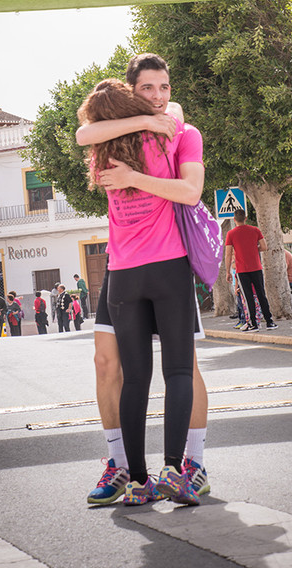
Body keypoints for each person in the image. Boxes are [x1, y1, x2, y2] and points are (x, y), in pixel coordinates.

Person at [77, 54, 210, 506]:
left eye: (164, 88)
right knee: (175, 371)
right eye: (147, 89)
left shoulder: (106, 151)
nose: (158, 97)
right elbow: (189, 190)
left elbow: (86, 131)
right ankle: (173, 470)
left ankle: (137, 481)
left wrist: (133, 173)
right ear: (132, 93)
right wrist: (155, 124)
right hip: (167, 266)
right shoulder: (170, 133)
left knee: (135, 379)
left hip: (125, 276)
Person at [224, 209, 278, 332]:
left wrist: (228, 272)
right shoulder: (255, 230)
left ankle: (253, 324)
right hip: (256, 268)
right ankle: (269, 322)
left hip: (242, 270)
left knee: (248, 297)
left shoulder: (231, 234)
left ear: (234, 219)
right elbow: (264, 246)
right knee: (261, 295)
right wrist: (254, 249)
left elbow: (228, 254)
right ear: (245, 218)